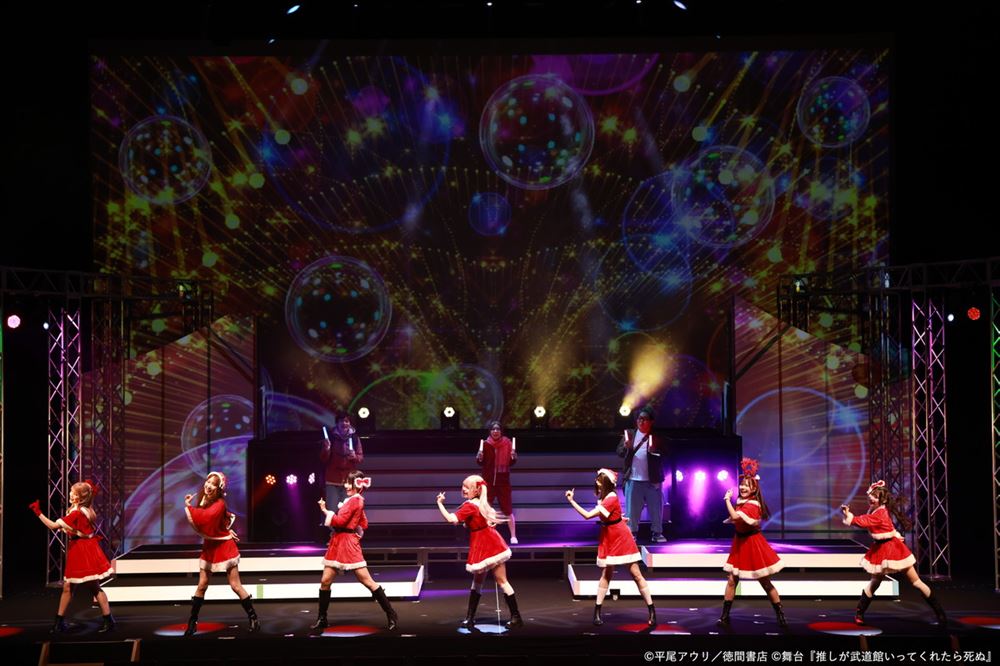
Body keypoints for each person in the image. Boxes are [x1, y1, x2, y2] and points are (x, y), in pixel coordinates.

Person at [840, 480, 946, 626]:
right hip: (881, 549)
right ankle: (859, 612)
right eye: (871, 496)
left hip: (894, 549)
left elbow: (865, 521)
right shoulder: (876, 510)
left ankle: (939, 612)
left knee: (916, 582)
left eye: (874, 497)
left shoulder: (880, 513)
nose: (871, 498)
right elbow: (883, 525)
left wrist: (849, 515)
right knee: (875, 583)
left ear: (882, 500)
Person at [565, 468, 656, 627]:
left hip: (621, 537)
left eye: (599, 480)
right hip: (609, 536)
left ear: (605, 482)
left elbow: (587, 516)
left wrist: (572, 501)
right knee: (606, 574)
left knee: (636, 574)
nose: (597, 482)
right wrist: (619, 518)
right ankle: (597, 612)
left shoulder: (610, 498)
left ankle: (652, 610)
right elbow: (611, 515)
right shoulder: (605, 497)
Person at [311, 470, 398, 632]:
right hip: (338, 542)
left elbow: (340, 521)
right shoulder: (354, 501)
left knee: (367, 581)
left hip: (347, 545)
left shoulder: (355, 500)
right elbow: (364, 523)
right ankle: (322, 619)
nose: (346, 486)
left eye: (349, 483)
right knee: (325, 581)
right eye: (346, 482)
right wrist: (354, 525)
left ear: (357, 485)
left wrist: (325, 511)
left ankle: (391, 614)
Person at [436, 475, 523, 629]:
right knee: (479, 582)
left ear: (476, 490)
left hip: (487, 544)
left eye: (467, 487)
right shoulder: (479, 503)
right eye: (463, 486)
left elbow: (451, 519)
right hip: (487, 542)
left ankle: (515, 617)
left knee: (500, 581)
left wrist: (439, 503)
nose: (463, 489)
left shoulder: (470, 506)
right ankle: (471, 618)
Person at [29, 481, 115, 633]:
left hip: (83, 550)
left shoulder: (78, 513)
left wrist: (38, 513)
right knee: (69, 587)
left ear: (79, 498)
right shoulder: (81, 509)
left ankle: (108, 620)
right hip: (81, 548)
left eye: (73, 493)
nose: (70, 494)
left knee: (93, 586)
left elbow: (53, 526)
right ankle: (59, 622)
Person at [182, 471, 260, 636]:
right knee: (202, 585)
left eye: (213, 484)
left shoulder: (219, 504)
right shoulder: (205, 500)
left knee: (235, 585)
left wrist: (189, 508)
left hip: (224, 546)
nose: (208, 486)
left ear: (219, 488)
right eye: (208, 482)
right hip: (210, 546)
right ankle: (192, 622)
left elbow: (206, 519)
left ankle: (254, 618)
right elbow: (218, 523)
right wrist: (192, 504)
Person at [718, 458, 787, 628]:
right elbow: (736, 519)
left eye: (746, 486)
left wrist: (726, 500)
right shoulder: (742, 502)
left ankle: (780, 615)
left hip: (752, 544)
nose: (742, 487)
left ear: (754, 488)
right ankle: (725, 617)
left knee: (764, 582)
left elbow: (735, 517)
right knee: (732, 580)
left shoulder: (753, 505)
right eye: (741, 484)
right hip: (739, 543)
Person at [616, 405, 666, 543]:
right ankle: (631, 533)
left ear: (651, 422)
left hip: (652, 480)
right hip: (633, 479)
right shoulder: (630, 434)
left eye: (644, 419)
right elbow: (619, 452)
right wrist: (626, 447)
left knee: (656, 509)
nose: (641, 421)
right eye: (639, 418)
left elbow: (666, 454)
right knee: (632, 510)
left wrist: (655, 451)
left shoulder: (656, 437)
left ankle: (657, 533)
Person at [476, 420, 518, 544]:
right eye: (493, 429)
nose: (495, 431)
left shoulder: (507, 443)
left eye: (498, 429)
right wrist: (479, 458)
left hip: (503, 481)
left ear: (501, 431)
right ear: (490, 431)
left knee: (507, 509)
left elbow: (511, 462)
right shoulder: (486, 444)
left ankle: (513, 536)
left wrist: (513, 457)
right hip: (488, 481)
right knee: (485, 509)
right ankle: (484, 536)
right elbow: (480, 463)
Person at [320, 412, 363, 509]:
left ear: (350, 423)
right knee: (332, 510)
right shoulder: (330, 438)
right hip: (332, 479)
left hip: (348, 480)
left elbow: (360, 458)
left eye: (346, 421)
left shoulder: (355, 438)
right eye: (341, 421)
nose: (344, 423)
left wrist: (354, 457)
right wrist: (327, 449)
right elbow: (323, 458)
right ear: (337, 423)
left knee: (346, 510)